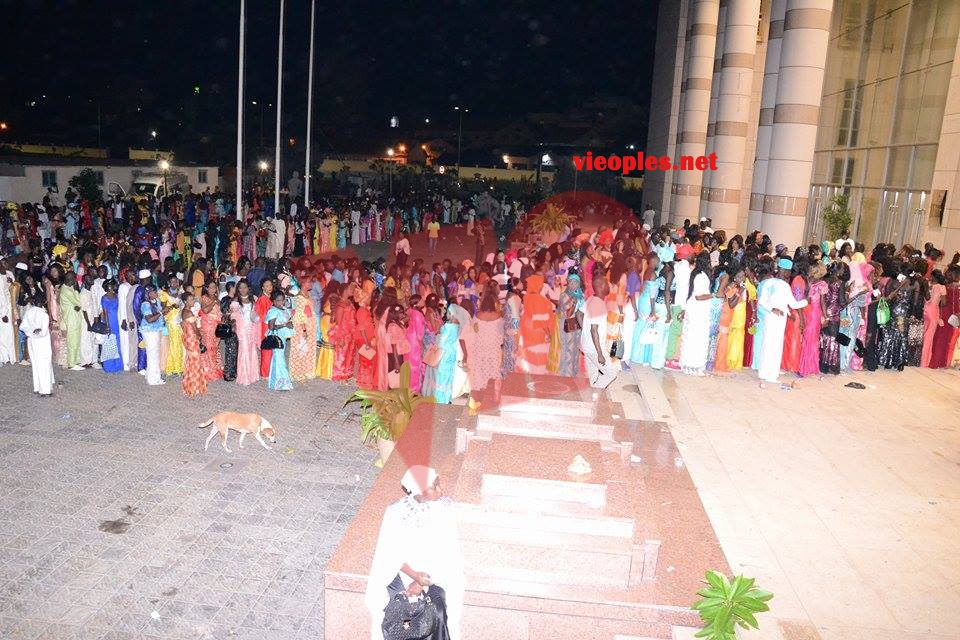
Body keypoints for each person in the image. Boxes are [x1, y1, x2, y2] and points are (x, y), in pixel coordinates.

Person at [365, 466, 464, 640]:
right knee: (397, 611)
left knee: (437, 610)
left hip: (437, 575)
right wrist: (414, 576)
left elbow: (448, 553)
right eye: (434, 486)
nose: (440, 490)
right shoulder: (395, 512)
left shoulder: (446, 510)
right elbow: (389, 554)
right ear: (419, 491)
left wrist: (421, 582)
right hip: (401, 574)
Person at [757, 258, 808, 386]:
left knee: (767, 343)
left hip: (769, 317)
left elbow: (762, 301)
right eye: (789, 272)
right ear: (784, 271)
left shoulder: (768, 282)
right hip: (778, 320)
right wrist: (807, 301)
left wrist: (772, 309)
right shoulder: (784, 285)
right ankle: (771, 375)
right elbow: (794, 304)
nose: (790, 275)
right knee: (776, 346)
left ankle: (763, 372)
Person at [580, 273, 619, 389]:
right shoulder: (598, 304)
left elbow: (578, 314)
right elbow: (594, 330)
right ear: (601, 286)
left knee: (593, 375)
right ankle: (595, 392)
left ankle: (592, 396)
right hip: (594, 348)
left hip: (587, 345)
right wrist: (600, 354)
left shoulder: (592, 298)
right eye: (607, 283)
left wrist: (585, 330)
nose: (609, 286)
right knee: (612, 373)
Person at [679, 252, 714, 376]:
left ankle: (690, 365)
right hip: (698, 311)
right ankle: (693, 366)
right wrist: (713, 295)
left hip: (696, 309)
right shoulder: (700, 276)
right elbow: (699, 296)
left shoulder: (697, 273)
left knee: (692, 337)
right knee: (697, 338)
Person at [19, 294, 54, 396]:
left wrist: (30, 333)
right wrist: (36, 332)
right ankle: (45, 390)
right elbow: (43, 332)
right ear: (44, 302)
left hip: (32, 341)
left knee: (36, 364)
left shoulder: (29, 312)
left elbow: (22, 327)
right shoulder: (44, 315)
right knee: (44, 364)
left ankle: (37, 387)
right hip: (42, 342)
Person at [519, 274, 553, 374]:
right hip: (537, 332)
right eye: (541, 284)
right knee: (538, 358)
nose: (542, 286)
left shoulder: (527, 297)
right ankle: (537, 378)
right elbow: (541, 320)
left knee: (529, 356)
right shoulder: (539, 300)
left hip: (527, 330)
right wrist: (549, 334)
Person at [231, 280, 260, 385]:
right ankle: (244, 377)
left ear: (248, 288)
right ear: (238, 289)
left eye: (245, 287)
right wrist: (234, 325)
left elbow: (255, 313)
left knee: (252, 350)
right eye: (240, 288)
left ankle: (253, 375)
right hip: (242, 329)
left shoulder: (254, 299)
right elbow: (233, 316)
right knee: (244, 351)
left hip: (252, 328)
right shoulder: (235, 301)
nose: (243, 290)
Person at [265, 290, 294, 390]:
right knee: (279, 359)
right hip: (276, 337)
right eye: (278, 300)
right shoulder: (273, 311)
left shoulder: (284, 309)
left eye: (282, 300)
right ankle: (282, 383)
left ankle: (276, 382)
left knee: (278, 359)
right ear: (273, 301)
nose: (280, 302)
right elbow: (271, 327)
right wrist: (285, 325)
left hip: (282, 337)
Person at [556, 273, 584, 376]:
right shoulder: (565, 295)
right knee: (568, 348)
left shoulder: (579, 294)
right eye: (571, 282)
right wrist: (574, 302)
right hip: (568, 324)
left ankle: (573, 372)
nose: (573, 285)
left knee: (575, 348)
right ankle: (566, 373)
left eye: (576, 282)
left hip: (576, 324)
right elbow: (568, 314)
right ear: (568, 283)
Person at [181, 292, 207, 397]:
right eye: (191, 300)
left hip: (187, 337)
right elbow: (195, 328)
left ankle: (191, 385)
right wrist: (200, 335)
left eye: (193, 299)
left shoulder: (184, 312)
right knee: (195, 361)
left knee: (191, 360)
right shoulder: (188, 313)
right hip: (192, 338)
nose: (193, 301)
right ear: (185, 301)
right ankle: (194, 386)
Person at [139, 285, 166, 385]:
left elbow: (159, 315)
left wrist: (164, 312)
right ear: (149, 293)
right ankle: (152, 379)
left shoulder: (156, 301)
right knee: (152, 354)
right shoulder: (145, 304)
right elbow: (150, 319)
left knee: (156, 353)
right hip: (149, 331)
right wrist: (161, 312)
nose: (157, 293)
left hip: (156, 329)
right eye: (154, 292)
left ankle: (154, 375)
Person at [98, 279, 125, 374]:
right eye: (112, 285)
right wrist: (107, 326)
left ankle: (118, 365)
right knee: (109, 345)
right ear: (108, 286)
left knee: (117, 344)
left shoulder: (116, 296)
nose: (114, 286)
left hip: (116, 321)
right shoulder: (104, 298)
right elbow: (105, 313)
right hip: (109, 321)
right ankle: (109, 366)